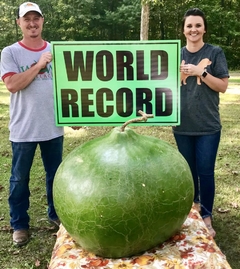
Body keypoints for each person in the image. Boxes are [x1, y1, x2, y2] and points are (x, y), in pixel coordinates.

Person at [0, 2, 64, 246]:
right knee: (19, 179)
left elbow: (68, 87)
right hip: (24, 129)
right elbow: (13, 85)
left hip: (53, 127)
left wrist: (74, 115)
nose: (32, 23)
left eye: (36, 18)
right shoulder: (10, 53)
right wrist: (39, 65)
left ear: (43, 20)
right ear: (19, 23)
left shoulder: (56, 50)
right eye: (26, 19)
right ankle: (19, 224)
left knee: (55, 177)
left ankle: (57, 216)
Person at [172, 8, 229, 238]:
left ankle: (206, 215)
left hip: (208, 126)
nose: (193, 29)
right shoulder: (173, 54)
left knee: (205, 172)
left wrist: (200, 72)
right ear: (183, 30)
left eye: (198, 25)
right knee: (188, 172)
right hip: (182, 126)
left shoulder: (215, 53)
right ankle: (192, 208)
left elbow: (223, 86)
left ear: (204, 28)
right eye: (189, 26)